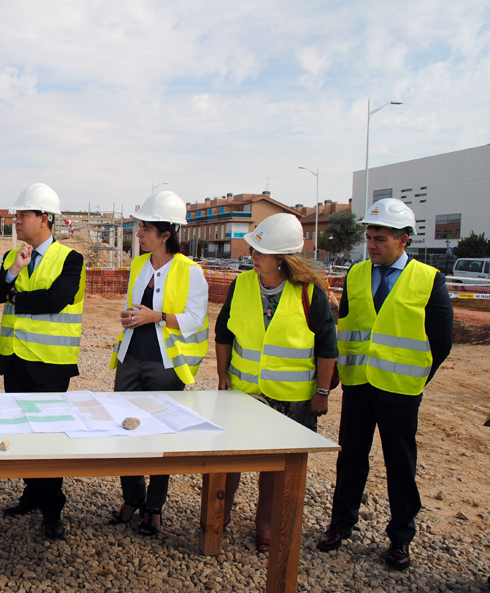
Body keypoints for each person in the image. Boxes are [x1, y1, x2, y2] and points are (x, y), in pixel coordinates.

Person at [318, 198, 453, 570]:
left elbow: (441, 340)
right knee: (350, 460)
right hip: (359, 385)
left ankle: (400, 539)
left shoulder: (428, 279)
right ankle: (340, 524)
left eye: (380, 238)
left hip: (400, 391)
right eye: (370, 237)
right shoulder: (357, 274)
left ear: (403, 239)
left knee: (400, 465)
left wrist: (417, 375)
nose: (372, 244)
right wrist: (335, 380)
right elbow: (346, 328)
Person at [215, 213, 337, 553]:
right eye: (253, 250)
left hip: (290, 401)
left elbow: (327, 347)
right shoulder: (241, 285)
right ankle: (219, 516)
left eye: (260, 252)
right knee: (232, 459)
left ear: (283, 259)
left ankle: (266, 522)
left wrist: (322, 392)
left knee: (275, 466)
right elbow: (224, 332)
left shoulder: (309, 294)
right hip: (243, 394)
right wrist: (223, 374)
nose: (252, 256)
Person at [0, 183, 85, 540]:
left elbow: (56, 299)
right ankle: (31, 493)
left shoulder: (70, 259)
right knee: (23, 434)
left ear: (44, 218)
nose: (16, 221)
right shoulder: (16, 256)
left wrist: (14, 295)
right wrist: (11, 276)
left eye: (22, 215)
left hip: (50, 365)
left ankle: (52, 509)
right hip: (15, 361)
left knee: (49, 438)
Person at [107, 190, 209, 536]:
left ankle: (154, 506)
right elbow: (134, 307)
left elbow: (196, 318)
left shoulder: (190, 271)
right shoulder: (138, 264)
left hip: (166, 364)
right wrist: (130, 316)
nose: (139, 234)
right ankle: (132, 497)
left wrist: (157, 316)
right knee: (124, 428)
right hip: (131, 357)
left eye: (146, 228)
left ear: (166, 234)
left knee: (162, 434)